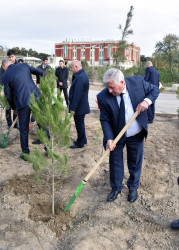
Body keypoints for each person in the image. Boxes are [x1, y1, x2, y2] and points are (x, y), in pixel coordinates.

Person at [97, 68, 159, 202]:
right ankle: (116, 187)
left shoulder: (137, 82)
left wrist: (147, 101)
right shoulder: (102, 96)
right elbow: (104, 119)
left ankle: (133, 187)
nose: (109, 91)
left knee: (135, 161)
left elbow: (155, 90)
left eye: (112, 87)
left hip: (135, 133)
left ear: (121, 82)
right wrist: (108, 138)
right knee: (115, 161)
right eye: (107, 87)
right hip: (115, 135)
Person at [2, 58, 43, 160]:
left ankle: (25, 153)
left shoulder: (5, 76)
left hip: (22, 103)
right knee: (43, 124)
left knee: (24, 130)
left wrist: (14, 108)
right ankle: (49, 149)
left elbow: (8, 96)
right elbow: (40, 72)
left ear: (4, 66)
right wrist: (37, 84)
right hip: (37, 99)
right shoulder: (24, 66)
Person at [69, 60, 90, 148]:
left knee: (79, 125)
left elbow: (77, 94)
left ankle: (80, 143)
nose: (70, 69)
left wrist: (73, 108)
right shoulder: (80, 75)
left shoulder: (80, 77)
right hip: (80, 106)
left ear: (76, 67)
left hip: (79, 107)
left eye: (71, 67)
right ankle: (83, 139)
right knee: (80, 123)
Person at [0, 49, 18, 129]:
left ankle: (15, 123)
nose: (11, 58)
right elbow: (1, 77)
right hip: (7, 89)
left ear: (15, 56)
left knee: (16, 106)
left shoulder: (18, 65)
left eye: (12, 56)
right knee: (8, 107)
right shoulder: (4, 65)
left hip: (16, 89)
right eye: (9, 57)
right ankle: (9, 123)